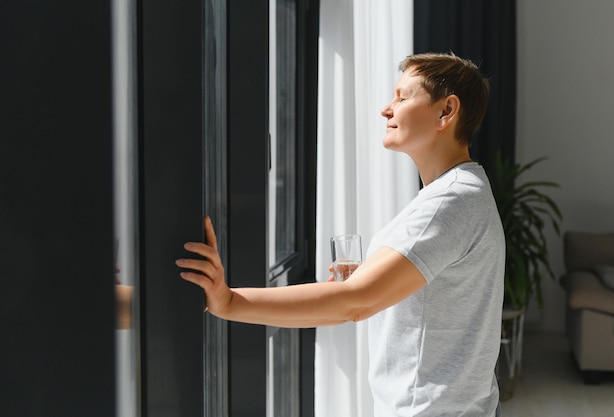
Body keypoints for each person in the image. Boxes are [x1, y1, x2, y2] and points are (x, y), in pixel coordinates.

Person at [176, 52, 504, 417]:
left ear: (446, 111)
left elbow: (354, 303)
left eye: (402, 96)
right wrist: (375, 281)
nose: (386, 109)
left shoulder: (451, 200)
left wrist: (228, 301)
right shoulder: (462, 191)